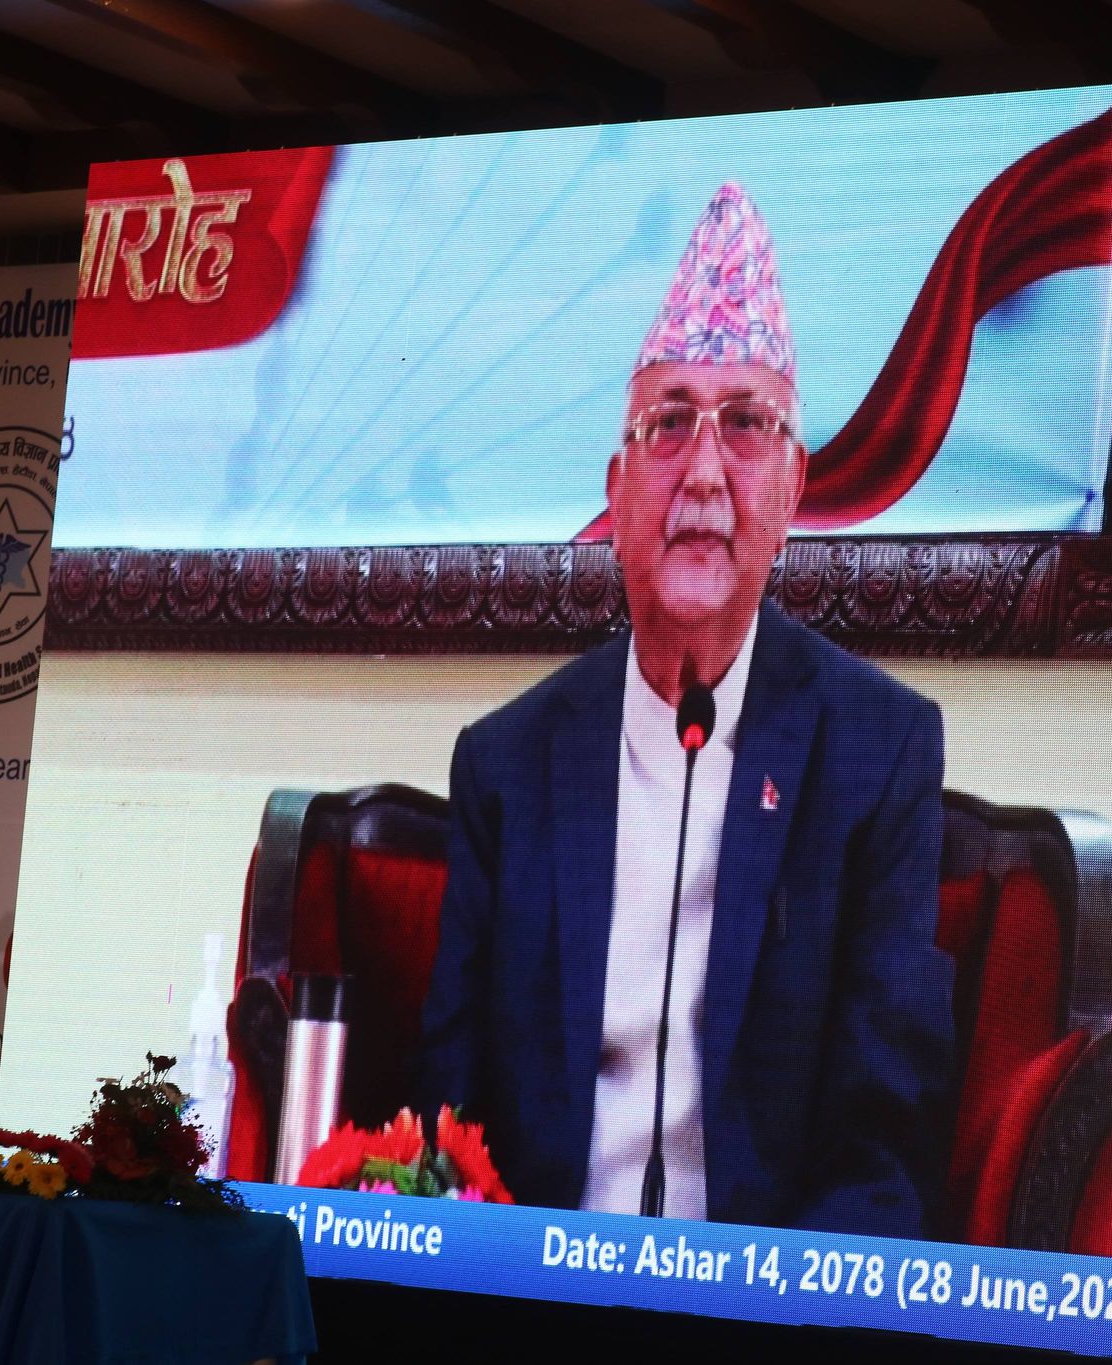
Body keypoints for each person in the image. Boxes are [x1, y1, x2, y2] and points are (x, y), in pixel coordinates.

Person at [417, 183, 956, 1239]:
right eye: (669, 425)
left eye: (746, 424)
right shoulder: (507, 763)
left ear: (791, 490)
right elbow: (447, 1117)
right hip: (534, 1284)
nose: (704, 473)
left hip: (759, 1296)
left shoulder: (877, 752)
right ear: (617, 497)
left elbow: (883, 1143)